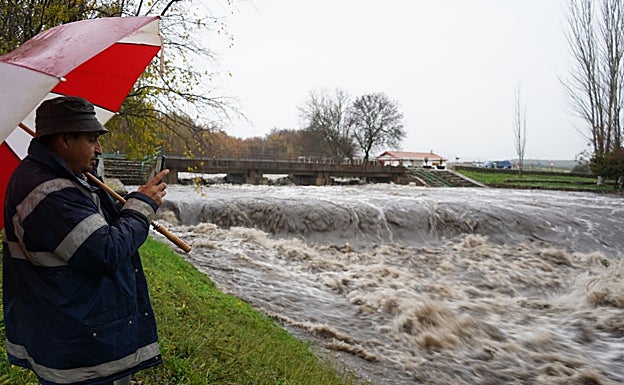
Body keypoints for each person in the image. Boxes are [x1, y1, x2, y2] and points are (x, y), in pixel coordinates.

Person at [2, 96, 169, 385]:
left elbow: (91, 229)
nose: (99, 149)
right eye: (92, 140)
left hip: (77, 330)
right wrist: (141, 208)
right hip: (79, 347)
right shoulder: (48, 192)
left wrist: (125, 207)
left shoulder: (67, 177)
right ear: (64, 140)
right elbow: (106, 251)